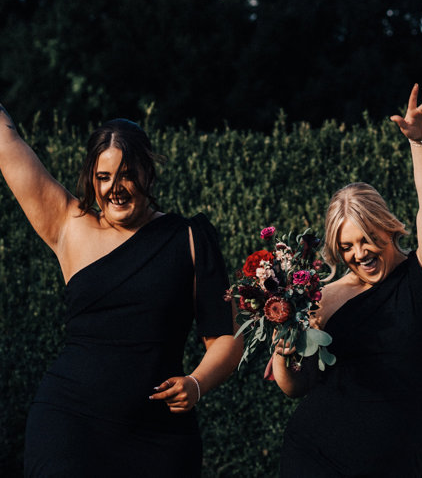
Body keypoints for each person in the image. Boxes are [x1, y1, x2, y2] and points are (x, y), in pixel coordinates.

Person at [0, 108, 243, 476]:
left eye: (128, 175)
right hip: (69, 425)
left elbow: (225, 338)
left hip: (158, 437)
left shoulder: (189, 238)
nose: (115, 188)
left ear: (149, 172)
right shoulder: (69, 224)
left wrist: (196, 383)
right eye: (104, 177)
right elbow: (8, 146)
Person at [273, 84, 422, 477]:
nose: (360, 253)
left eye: (368, 239)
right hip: (311, 460)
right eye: (346, 246)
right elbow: (299, 386)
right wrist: (283, 356)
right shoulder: (324, 298)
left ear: (388, 228)